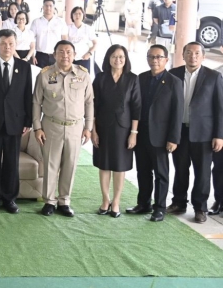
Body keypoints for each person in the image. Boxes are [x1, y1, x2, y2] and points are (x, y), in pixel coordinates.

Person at [32, 40, 94, 217]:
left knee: (70, 165)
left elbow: (89, 102)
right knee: (50, 165)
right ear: (54, 54)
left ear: (74, 55)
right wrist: (37, 127)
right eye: (61, 52)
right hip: (51, 126)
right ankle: (49, 201)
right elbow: (36, 102)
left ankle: (64, 201)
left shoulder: (83, 75)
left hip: (75, 127)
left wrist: (88, 127)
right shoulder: (45, 75)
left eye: (68, 52)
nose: (65, 55)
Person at [166, 42, 223, 223]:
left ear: (203, 56)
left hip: (204, 134)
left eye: (197, 53)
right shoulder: (173, 74)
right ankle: (179, 202)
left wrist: (219, 135)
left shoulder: (214, 77)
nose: (193, 56)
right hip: (179, 132)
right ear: (183, 55)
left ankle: (200, 208)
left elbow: (219, 108)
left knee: (203, 172)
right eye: (189, 52)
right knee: (180, 169)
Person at [126, 44, 183, 222]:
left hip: (161, 137)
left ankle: (159, 208)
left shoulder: (174, 82)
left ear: (166, 59)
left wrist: (174, 138)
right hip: (141, 133)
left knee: (161, 174)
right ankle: (143, 204)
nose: (155, 60)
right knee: (142, 171)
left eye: (159, 57)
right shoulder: (141, 78)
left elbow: (177, 112)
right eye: (151, 56)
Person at [0, 29, 32, 214]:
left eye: (11, 43)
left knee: (12, 162)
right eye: (3, 43)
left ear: (15, 45)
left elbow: (27, 95)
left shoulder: (24, 67)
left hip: (15, 122)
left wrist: (28, 120)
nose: (7, 47)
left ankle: (10, 198)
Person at [91, 45, 141, 218]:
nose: (117, 60)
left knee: (120, 167)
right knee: (104, 165)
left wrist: (133, 133)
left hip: (124, 130)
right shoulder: (100, 78)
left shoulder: (132, 78)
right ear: (108, 58)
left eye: (121, 57)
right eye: (114, 56)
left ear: (126, 59)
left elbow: (136, 107)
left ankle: (116, 202)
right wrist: (93, 130)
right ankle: (105, 200)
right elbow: (93, 106)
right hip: (103, 128)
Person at [30, 0, 68, 67]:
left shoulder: (61, 22)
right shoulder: (36, 22)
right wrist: (32, 56)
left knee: (57, 74)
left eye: (50, 6)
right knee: (40, 74)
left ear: (54, 8)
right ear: (43, 7)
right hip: (40, 56)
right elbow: (31, 40)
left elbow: (64, 39)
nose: (48, 8)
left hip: (56, 55)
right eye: (46, 5)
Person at [67, 7, 97, 71]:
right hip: (70, 59)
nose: (77, 15)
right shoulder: (67, 28)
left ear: (83, 15)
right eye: (75, 14)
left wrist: (89, 53)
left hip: (84, 59)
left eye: (80, 13)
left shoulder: (88, 28)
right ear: (72, 15)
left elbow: (95, 43)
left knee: (84, 76)